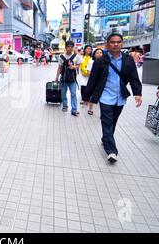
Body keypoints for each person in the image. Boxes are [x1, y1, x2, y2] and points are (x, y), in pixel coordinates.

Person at [84, 33, 142, 163]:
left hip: (120, 97)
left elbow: (134, 77)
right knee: (107, 121)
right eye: (112, 42)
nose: (116, 44)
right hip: (105, 96)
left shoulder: (128, 60)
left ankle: (106, 138)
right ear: (107, 44)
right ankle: (111, 151)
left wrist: (137, 93)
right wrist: (87, 96)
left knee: (113, 122)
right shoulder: (100, 61)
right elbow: (93, 79)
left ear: (122, 44)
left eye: (118, 42)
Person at [55, 40, 82, 116]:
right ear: (65, 47)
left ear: (73, 48)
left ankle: (74, 109)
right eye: (68, 46)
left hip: (72, 79)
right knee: (63, 94)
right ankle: (65, 106)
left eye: (71, 47)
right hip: (63, 79)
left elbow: (79, 65)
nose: (69, 48)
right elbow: (59, 67)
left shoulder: (76, 56)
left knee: (73, 94)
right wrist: (56, 77)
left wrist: (74, 66)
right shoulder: (61, 56)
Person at [86, 48, 104, 115]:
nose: (99, 54)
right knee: (93, 96)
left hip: (102, 83)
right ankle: (90, 109)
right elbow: (88, 72)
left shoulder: (105, 62)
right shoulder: (91, 62)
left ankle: (103, 112)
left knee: (102, 97)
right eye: (97, 53)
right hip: (94, 82)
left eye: (101, 53)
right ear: (94, 54)